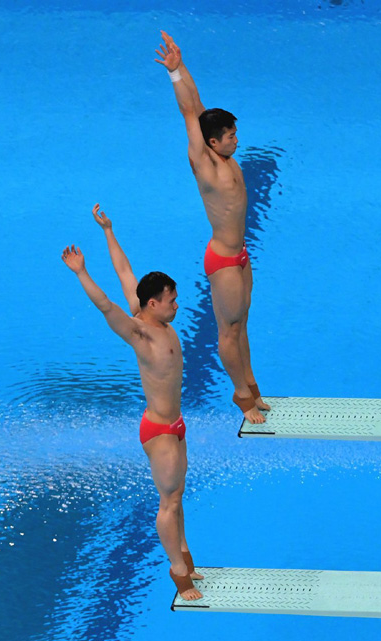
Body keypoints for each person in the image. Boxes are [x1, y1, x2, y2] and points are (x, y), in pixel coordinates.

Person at [61, 204, 203, 600]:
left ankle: (185, 555)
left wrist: (108, 230)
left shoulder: (153, 312)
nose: (177, 305)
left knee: (177, 498)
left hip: (176, 425)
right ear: (153, 304)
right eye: (171, 300)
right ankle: (179, 573)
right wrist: (81, 272)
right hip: (158, 429)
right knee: (168, 503)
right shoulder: (140, 332)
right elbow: (107, 304)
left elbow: (126, 273)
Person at [155, 31, 270, 425]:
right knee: (228, 331)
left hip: (240, 254)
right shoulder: (204, 164)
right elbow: (188, 115)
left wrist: (180, 66)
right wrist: (172, 78)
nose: (237, 140)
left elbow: (197, 108)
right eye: (231, 136)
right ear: (213, 142)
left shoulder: (222, 154)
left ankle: (253, 386)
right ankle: (242, 398)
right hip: (222, 259)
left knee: (242, 327)